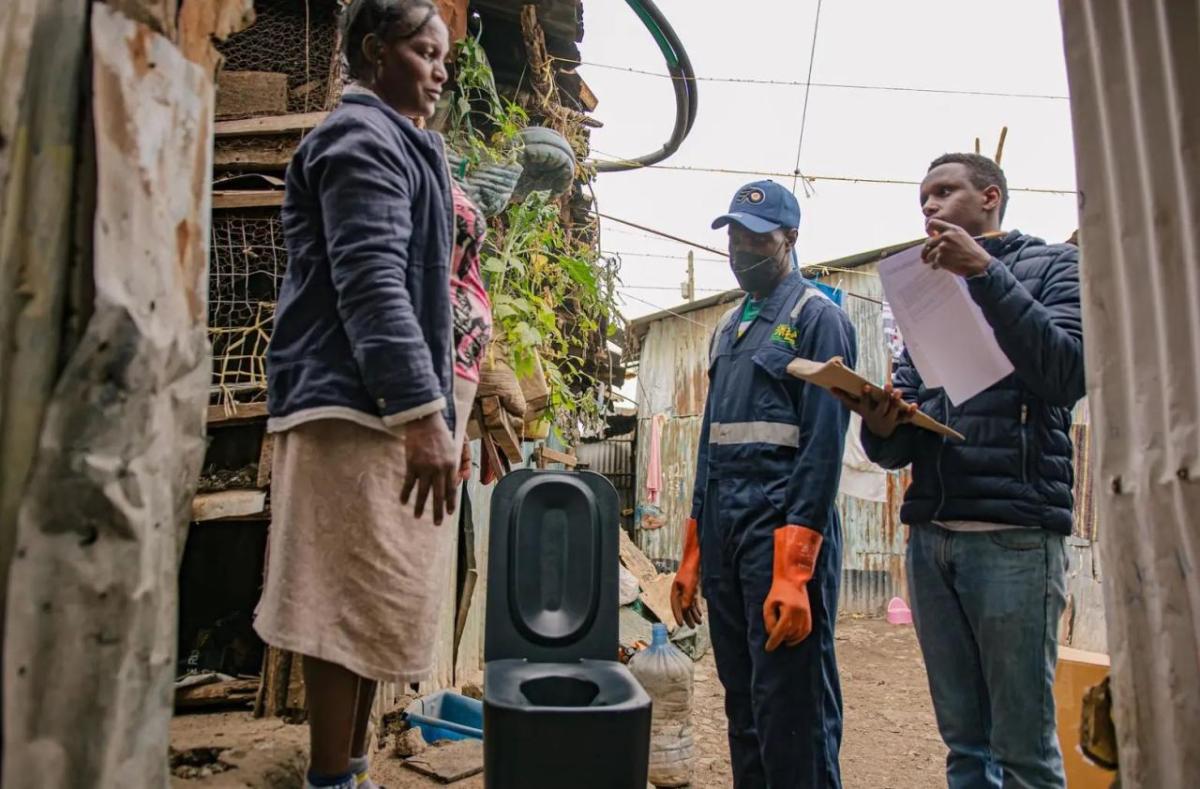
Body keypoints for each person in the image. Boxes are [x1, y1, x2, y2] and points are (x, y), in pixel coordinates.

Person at [253, 2, 462, 787]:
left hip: (378, 405)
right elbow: (372, 284)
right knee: (340, 605)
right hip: (351, 404)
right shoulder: (361, 139)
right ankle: (330, 780)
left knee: (371, 601)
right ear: (374, 51)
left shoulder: (403, 144)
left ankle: (352, 770)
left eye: (443, 54)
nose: (439, 68)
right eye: (423, 50)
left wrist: (428, 411)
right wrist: (422, 413)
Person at [837, 153, 1085, 789]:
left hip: (1015, 538)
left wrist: (985, 273)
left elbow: (1065, 374)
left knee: (1023, 749)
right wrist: (885, 419)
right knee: (965, 747)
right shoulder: (924, 290)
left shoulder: (1057, 267)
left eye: (944, 192)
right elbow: (894, 451)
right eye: (923, 198)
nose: (929, 207)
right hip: (933, 539)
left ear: (991, 198)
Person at [671, 180, 857, 788]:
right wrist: (692, 553)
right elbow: (709, 445)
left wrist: (795, 571)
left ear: (790, 239)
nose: (742, 248)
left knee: (791, 711)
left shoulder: (817, 319)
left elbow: (822, 452)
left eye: (757, 238)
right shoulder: (729, 328)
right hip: (726, 537)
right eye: (734, 237)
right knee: (744, 706)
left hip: (779, 533)